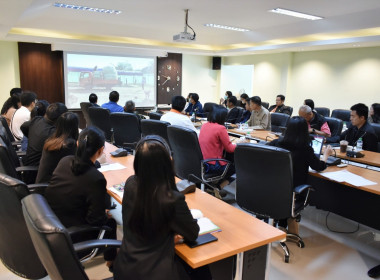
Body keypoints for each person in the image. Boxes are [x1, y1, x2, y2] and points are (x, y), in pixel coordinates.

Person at [114, 136, 203, 280]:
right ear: (167, 163)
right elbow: (192, 234)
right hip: (155, 272)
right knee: (201, 270)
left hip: (125, 268)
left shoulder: (131, 184)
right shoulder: (171, 198)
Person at [44, 126, 117, 268]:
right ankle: (112, 261)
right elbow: (95, 220)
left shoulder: (65, 161)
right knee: (111, 222)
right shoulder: (96, 178)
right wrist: (104, 214)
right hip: (72, 235)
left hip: (52, 223)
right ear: (101, 150)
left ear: (78, 144)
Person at [268, 116, 333, 232]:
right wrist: (326, 156)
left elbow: (261, 151)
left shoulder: (276, 142)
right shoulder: (305, 149)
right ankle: (283, 224)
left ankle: (282, 224)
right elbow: (319, 167)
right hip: (293, 193)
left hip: (272, 189)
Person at [199, 105, 246, 198]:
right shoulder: (221, 128)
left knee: (230, 160)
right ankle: (217, 187)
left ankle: (212, 187)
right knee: (239, 167)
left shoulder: (204, 125)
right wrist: (240, 143)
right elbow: (230, 149)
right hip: (214, 165)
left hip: (203, 162)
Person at [36, 112, 79, 183]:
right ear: (75, 127)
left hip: (43, 185)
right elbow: (79, 165)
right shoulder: (69, 144)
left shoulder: (52, 139)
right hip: (53, 187)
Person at [22, 102, 68, 167]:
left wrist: (30, 136)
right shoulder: (53, 133)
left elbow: (23, 126)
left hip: (29, 163)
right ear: (61, 119)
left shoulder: (36, 120)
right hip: (37, 170)